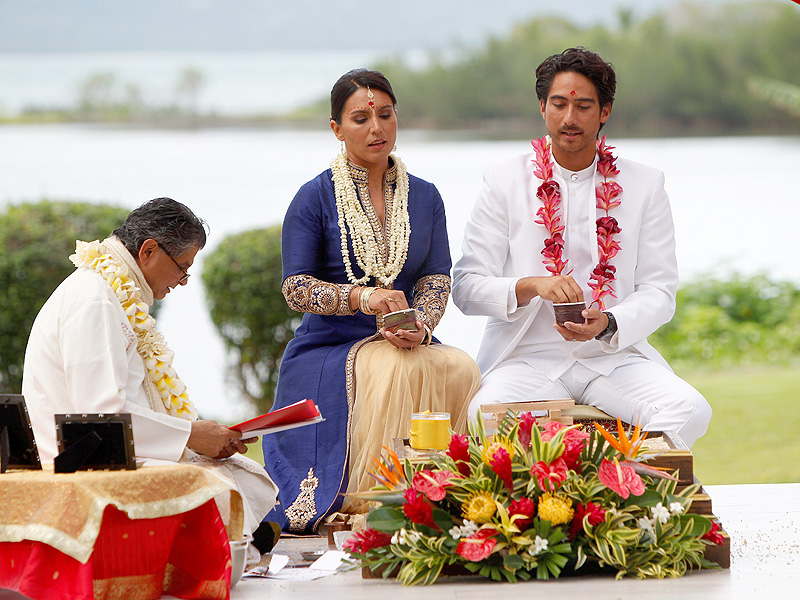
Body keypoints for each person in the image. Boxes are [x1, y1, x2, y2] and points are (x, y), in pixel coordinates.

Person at [452, 47, 711, 447]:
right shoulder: (503, 181)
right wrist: (532, 285)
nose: (569, 118)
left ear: (604, 111)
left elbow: (659, 292)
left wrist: (609, 322)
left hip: (612, 357)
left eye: (583, 105)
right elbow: (466, 287)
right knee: (481, 417)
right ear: (542, 107)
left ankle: (620, 498)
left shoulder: (645, 184)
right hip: (526, 357)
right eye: (559, 104)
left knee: (690, 410)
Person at [262, 69, 480, 534]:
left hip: (406, 335)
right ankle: (378, 503)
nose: (376, 128)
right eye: (360, 118)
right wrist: (364, 297)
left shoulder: (424, 196)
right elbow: (295, 287)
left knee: (460, 365)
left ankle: (444, 498)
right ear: (337, 129)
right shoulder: (313, 197)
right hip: (330, 347)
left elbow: (437, 276)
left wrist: (419, 323)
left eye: (384, 114)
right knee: (392, 368)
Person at [22, 197, 278, 545]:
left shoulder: (109, 291)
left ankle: (240, 546)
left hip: (115, 448)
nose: (184, 281)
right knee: (215, 485)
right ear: (148, 251)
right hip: (82, 462)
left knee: (244, 474)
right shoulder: (95, 299)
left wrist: (196, 436)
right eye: (182, 268)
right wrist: (190, 435)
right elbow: (98, 419)